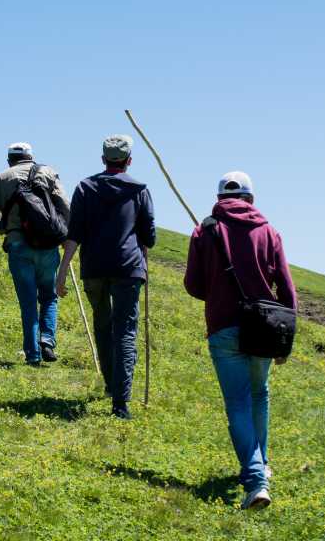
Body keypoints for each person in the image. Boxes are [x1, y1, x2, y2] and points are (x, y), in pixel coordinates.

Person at [183, 171, 297, 511]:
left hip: (223, 327)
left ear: (219, 198)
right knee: (259, 394)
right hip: (263, 328)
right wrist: (285, 340)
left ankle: (255, 480)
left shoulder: (205, 230)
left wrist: (217, 293)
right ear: (251, 199)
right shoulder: (269, 231)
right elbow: (287, 289)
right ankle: (259, 465)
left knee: (238, 402)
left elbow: (192, 284)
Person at [57, 135, 155, 418]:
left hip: (94, 269)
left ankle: (113, 386)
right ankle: (120, 402)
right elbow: (149, 236)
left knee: (102, 324)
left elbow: (74, 234)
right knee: (125, 330)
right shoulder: (140, 191)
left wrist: (62, 272)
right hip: (128, 269)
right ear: (129, 161)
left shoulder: (85, 188)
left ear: (103, 159)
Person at [0, 142, 70, 365]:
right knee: (48, 296)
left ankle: (33, 354)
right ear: (30, 157)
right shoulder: (47, 172)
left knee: (28, 302)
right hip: (47, 245)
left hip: (18, 244)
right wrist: (66, 234)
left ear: (10, 159)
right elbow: (65, 204)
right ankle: (47, 341)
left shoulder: (2, 176)